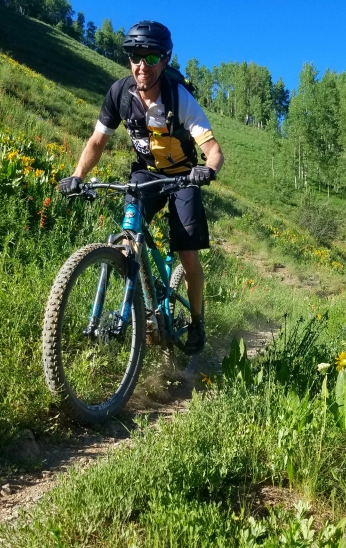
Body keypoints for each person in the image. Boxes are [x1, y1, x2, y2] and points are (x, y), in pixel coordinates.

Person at [58, 21, 224, 356]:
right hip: (146, 175)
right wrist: (76, 175)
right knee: (127, 238)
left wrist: (207, 170)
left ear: (164, 61)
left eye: (150, 58)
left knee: (188, 255)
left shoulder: (180, 99)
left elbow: (214, 150)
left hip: (182, 178)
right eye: (135, 56)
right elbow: (96, 141)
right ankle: (137, 309)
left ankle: (196, 321)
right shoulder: (120, 94)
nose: (141, 65)